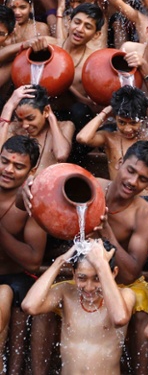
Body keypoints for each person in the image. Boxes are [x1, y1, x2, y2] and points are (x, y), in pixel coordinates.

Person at [25, 141, 148, 375]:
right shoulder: (92, 187)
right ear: (120, 163)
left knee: (141, 316)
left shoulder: (146, 215)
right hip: (84, 273)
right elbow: (45, 201)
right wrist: (25, 193)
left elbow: (132, 272)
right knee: (43, 307)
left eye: (143, 179)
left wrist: (106, 230)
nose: (132, 182)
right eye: (131, 171)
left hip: (123, 280)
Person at [21, 239, 135, 375]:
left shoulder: (126, 295)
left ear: (114, 273)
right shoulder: (66, 292)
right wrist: (60, 261)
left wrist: (102, 265)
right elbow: (29, 306)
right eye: (82, 278)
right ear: (74, 274)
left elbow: (120, 318)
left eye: (97, 278)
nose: (89, 287)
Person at [76, 86, 148, 198]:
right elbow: (82, 138)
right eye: (121, 122)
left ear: (142, 119)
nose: (127, 129)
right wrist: (105, 112)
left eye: (133, 123)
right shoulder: (109, 138)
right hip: (119, 199)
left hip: (145, 201)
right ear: (115, 118)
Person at [0, 136, 43, 374]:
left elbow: (34, 261)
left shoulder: (34, 202)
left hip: (13, 278)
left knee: (3, 296)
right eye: (4, 161)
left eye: (18, 166)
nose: (8, 169)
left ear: (31, 170)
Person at [0, 84, 75, 173]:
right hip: (18, 185)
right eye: (20, 120)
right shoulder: (14, 128)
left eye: (30, 118)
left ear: (46, 111)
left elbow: (61, 155)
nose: (25, 125)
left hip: (45, 184)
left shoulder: (65, 126)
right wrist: (8, 106)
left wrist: (51, 118)